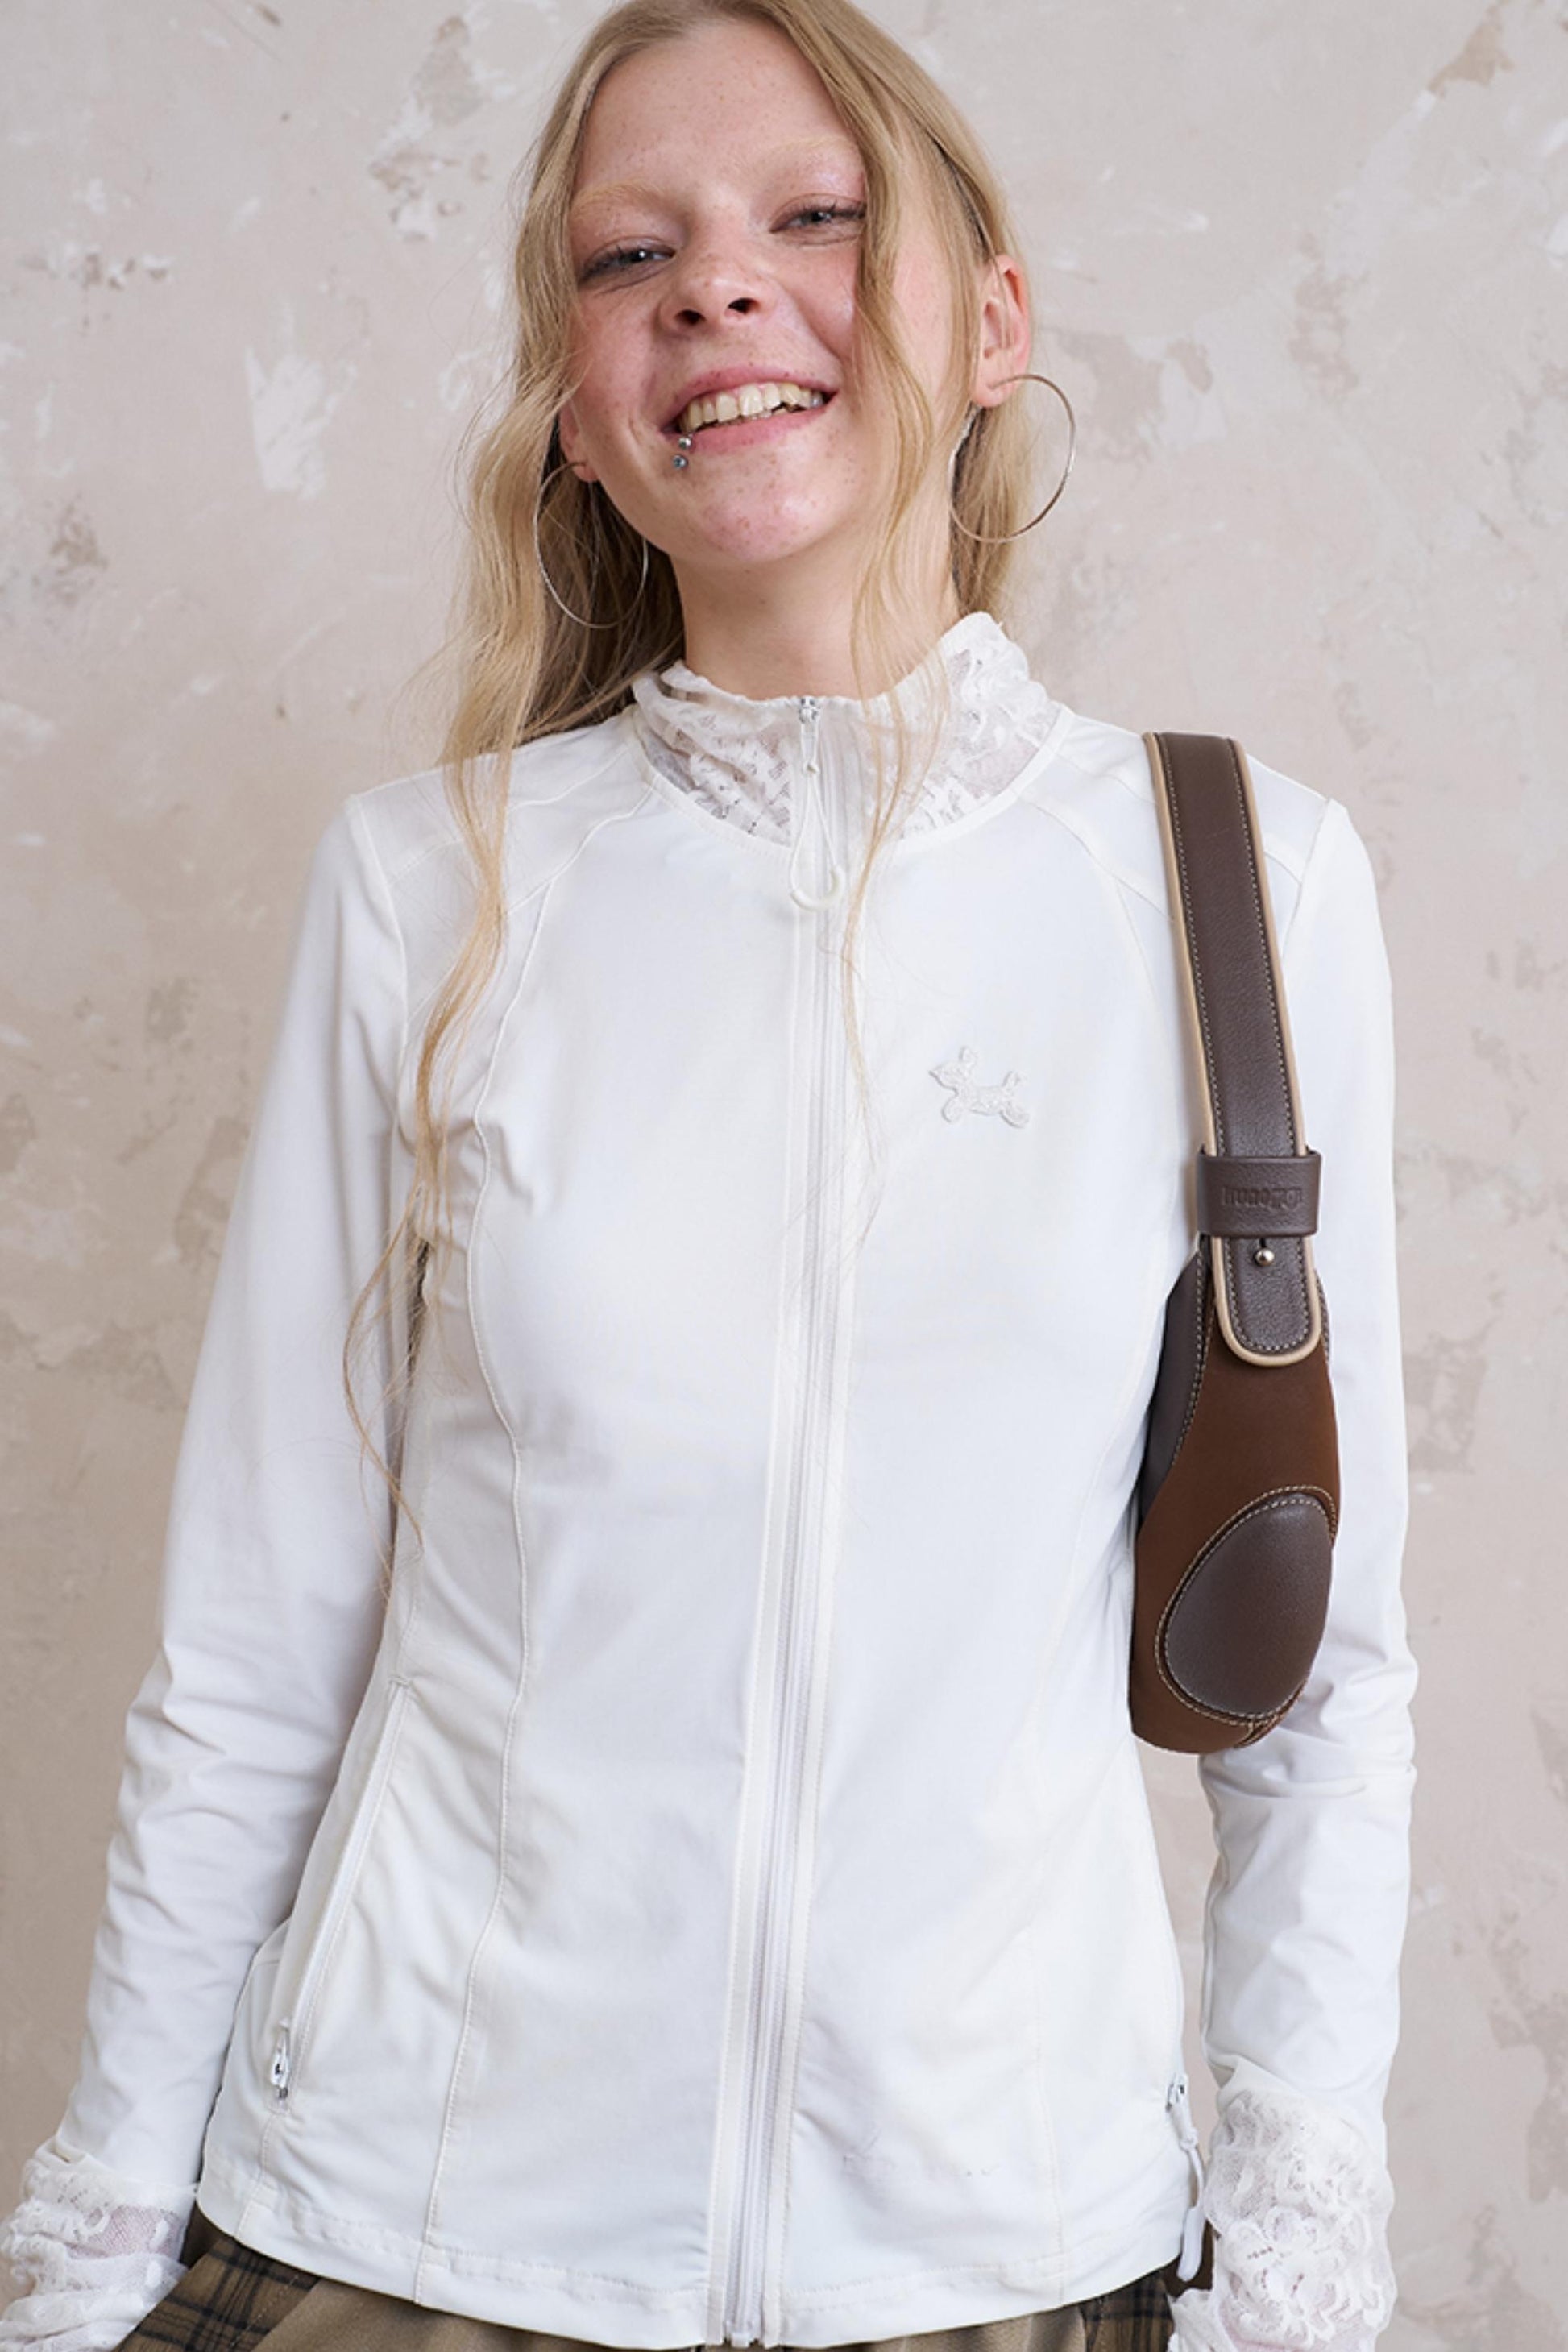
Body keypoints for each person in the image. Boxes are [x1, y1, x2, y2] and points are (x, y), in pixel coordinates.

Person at [0, 4, 1418, 2350]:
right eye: (626, 252)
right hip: (410, 2243)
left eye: (816, 215)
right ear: (575, 406)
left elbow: (1318, 1676)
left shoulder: (1241, 890)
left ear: (992, 323)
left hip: (1002, 2256)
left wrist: (1290, 2278)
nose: (718, 285)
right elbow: (256, 1649)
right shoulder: (426, 890)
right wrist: (92, 2244)